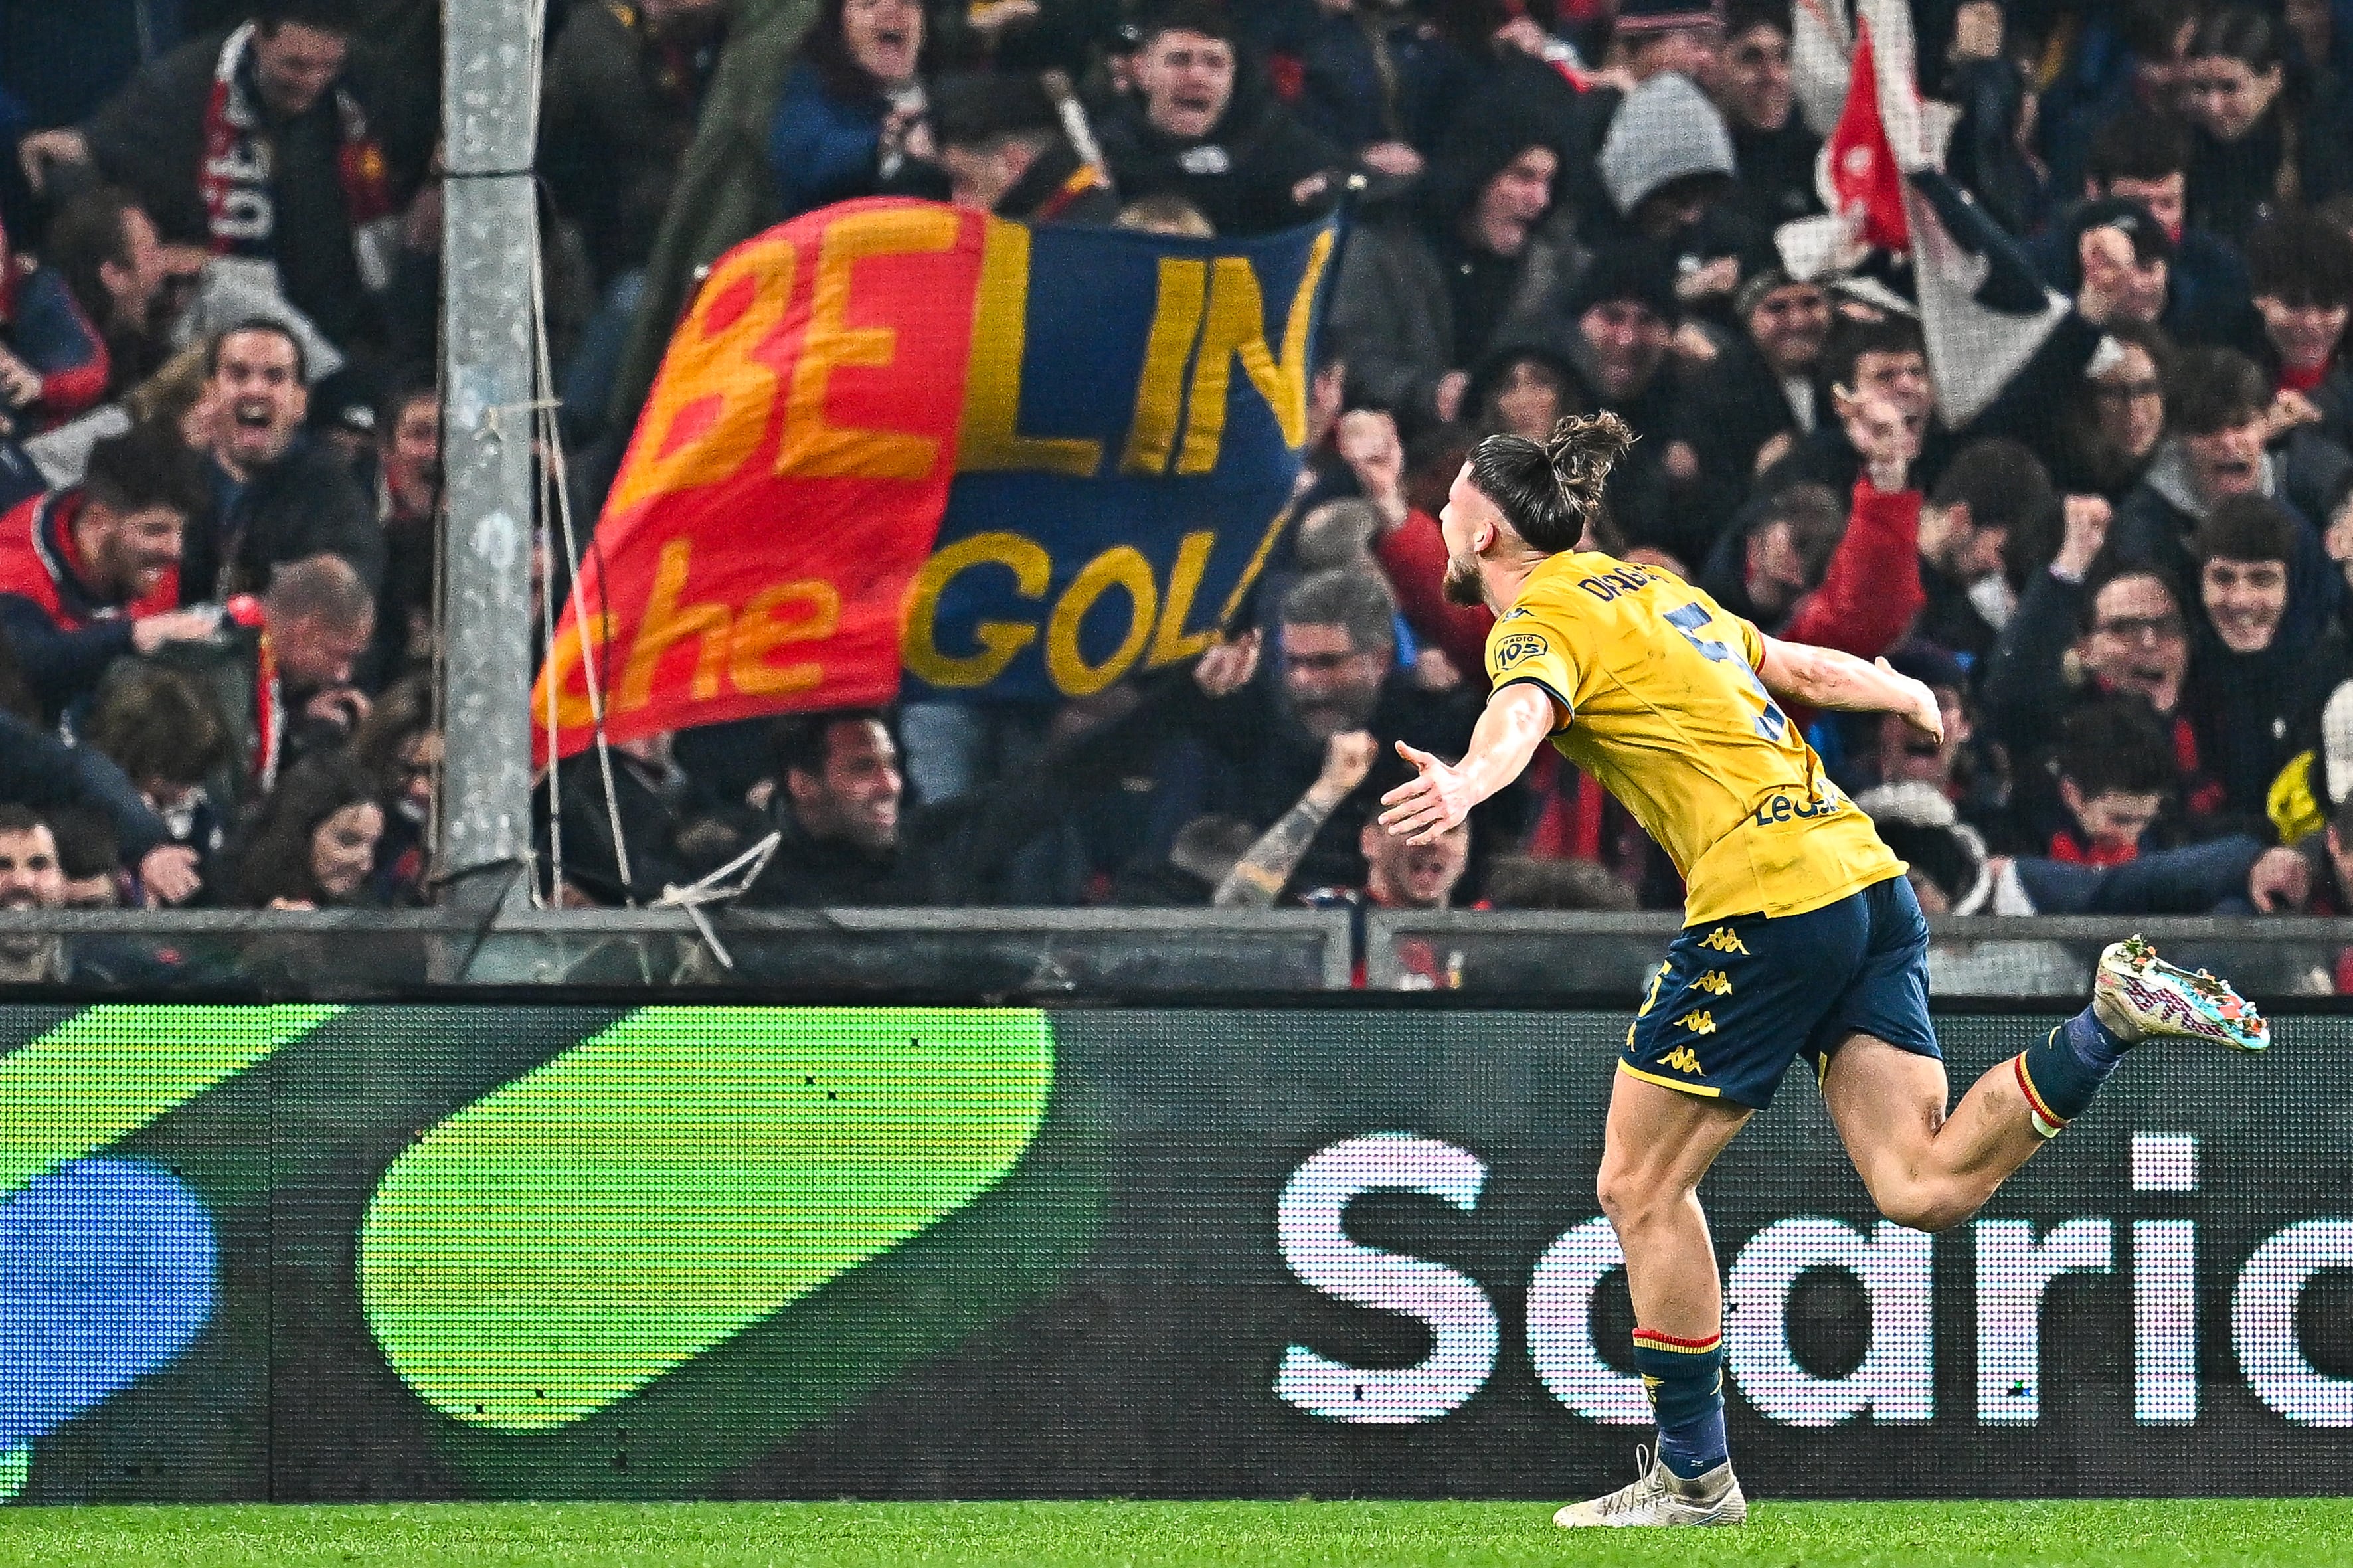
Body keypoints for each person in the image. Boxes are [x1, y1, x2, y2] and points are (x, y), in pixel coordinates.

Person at [1376, 412, 2265, 1528]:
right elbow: (1790, 665)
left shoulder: (1541, 618)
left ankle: (1694, 1476)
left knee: (1636, 1186)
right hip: (1863, 882)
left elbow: (1518, 717)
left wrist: (1465, 781)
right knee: (1920, 1185)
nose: (1435, 510)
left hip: (1766, 900)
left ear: (1489, 522)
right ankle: (2106, 1023)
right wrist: (1895, 692)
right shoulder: (1648, 592)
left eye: (1448, 492)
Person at [23, 0, 415, 357]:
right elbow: (99, 156)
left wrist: (431, 181)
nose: (313, 80)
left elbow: (423, 135)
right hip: (222, 317)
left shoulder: (363, 77)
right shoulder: (183, 86)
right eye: (295, 65)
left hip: (349, 304)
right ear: (259, 36)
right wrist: (157, 255)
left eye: (327, 66)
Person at [1326, 104, 1567, 432]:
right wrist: (1430, 392)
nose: (1540, 198)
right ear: (1476, 174)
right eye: (1523, 177)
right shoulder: (1383, 245)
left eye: (1548, 182)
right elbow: (1347, 361)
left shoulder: (1545, 270)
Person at [0, 420, 216, 720]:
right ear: (98, 521)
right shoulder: (14, 566)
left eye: (181, 532)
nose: (175, 551)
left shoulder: (150, 561)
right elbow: (28, 661)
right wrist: (132, 637)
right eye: (155, 530)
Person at [1093, 5, 1344, 238]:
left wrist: (1314, 197)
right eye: (1179, 60)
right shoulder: (1102, 152)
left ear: (1233, 76)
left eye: (1214, 63)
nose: (1196, 77)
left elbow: (1349, 178)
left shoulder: (1273, 140)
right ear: (1141, 70)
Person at [187, 319, 383, 600]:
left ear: (300, 403)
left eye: (275, 377)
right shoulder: (171, 484)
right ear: (210, 392)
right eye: (239, 374)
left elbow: (348, 596)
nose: (255, 390)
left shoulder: (332, 496)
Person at [766, 0, 932, 221]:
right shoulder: (813, 87)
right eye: (869, 4)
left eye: (907, 2)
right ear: (840, 24)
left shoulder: (950, 87)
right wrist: (881, 143)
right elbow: (803, 166)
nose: (891, 9)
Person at [927, 72, 1118, 222]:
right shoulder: (1079, 209)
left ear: (1013, 162)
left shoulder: (1072, 235)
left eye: (964, 182)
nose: (955, 202)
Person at [222, 751, 385, 908]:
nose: (366, 865)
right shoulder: (221, 890)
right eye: (348, 840)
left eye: (374, 846)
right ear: (300, 831)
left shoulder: (366, 917)